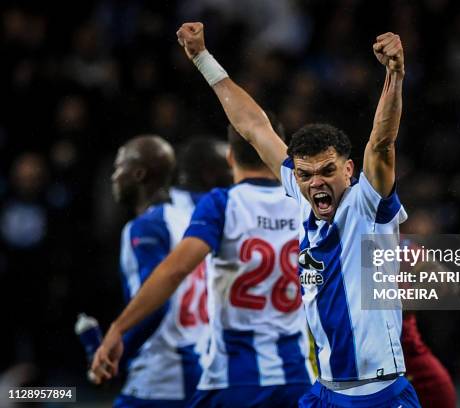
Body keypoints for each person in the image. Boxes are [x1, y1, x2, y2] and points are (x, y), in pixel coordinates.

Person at [173, 21, 420, 407]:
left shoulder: (366, 205)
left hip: (379, 394)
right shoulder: (302, 194)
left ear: (349, 170)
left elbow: (383, 141)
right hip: (324, 391)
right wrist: (203, 58)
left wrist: (395, 74)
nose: (316, 183)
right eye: (305, 175)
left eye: (327, 171)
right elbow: (254, 127)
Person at [93, 121, 313, 408]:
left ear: (232, 158)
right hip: (299, 372)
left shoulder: (221, 205)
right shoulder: (310, 204)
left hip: (225, 377)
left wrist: (118, 331)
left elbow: (174, 273)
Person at [104, 135, 208, 407]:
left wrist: (117, 351)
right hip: (200, 361)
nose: (114, 176)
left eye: (119, 167)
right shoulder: (191, 216)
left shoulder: (145, 227)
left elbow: (156, 303)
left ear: (138, 174)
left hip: (161, 372)